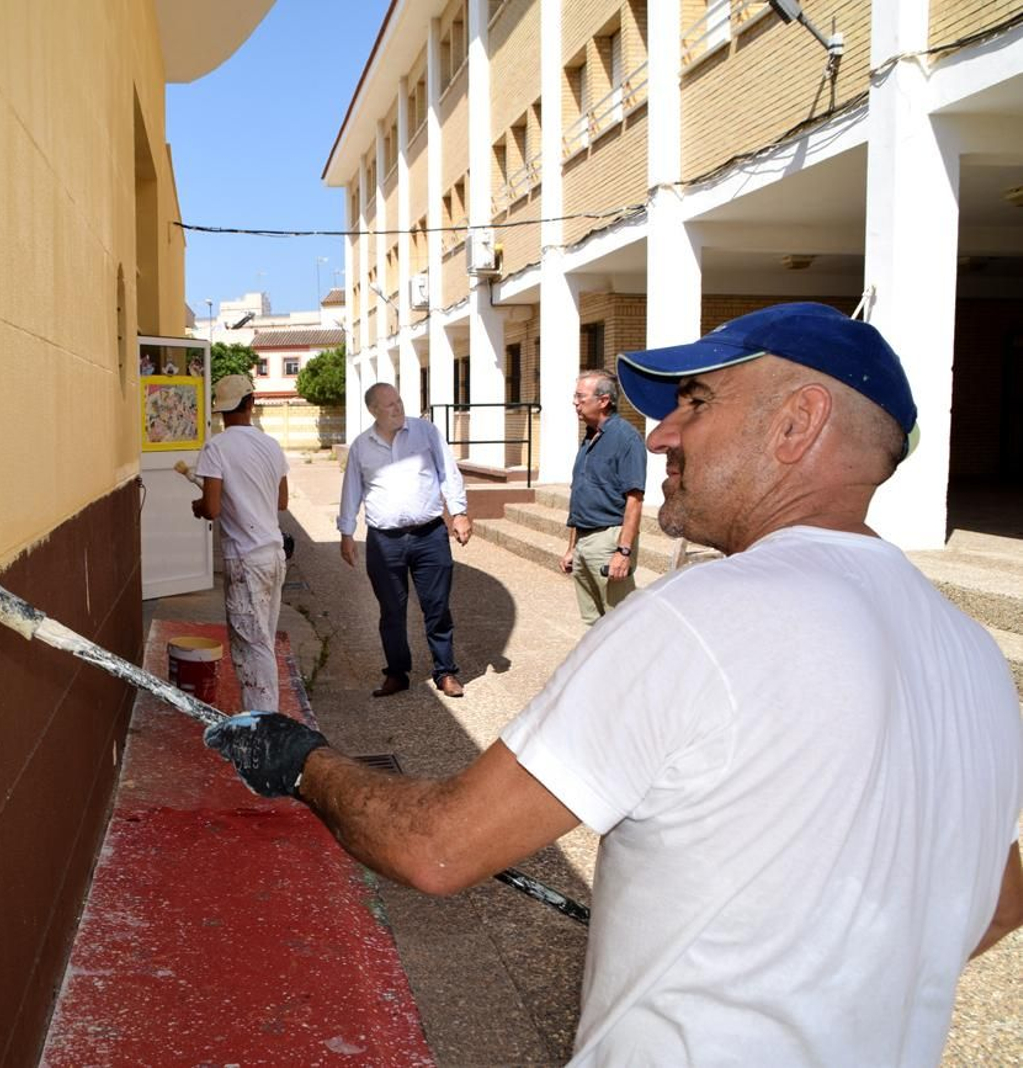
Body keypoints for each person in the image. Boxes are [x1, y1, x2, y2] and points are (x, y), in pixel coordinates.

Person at [205, 303, 1023, 1063]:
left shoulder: (705, 618)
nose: (663, 435)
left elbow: (438, 847)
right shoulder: (972, 653)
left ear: (798, 423)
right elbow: (997, 898)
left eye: (697, 402)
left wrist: (304, 761)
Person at [337, 382, 473, 699]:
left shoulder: (425, 432)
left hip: (430, 536)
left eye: (399, 401)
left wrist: (460, 513)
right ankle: (397, 673)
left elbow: (448, 472)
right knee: (391, 611)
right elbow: (351, 491)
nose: (397, 409)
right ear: (373, 410)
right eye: (389, 405)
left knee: (437, 606)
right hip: (385, 541)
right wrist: (346, 533)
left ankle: (446, 671)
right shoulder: (362, 446)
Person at [191, 374, 290, 713]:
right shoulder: (271, 445)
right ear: (251, 403)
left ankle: (264, 725)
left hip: (245, 561)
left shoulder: (216, 447)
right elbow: (282, 501)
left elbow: (212, 508)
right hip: (274, 556)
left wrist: (199, 507)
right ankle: (262, 716)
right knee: (262, 640)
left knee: (253, 646)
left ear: (220, 411)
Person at [562, 370, 646, 624]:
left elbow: (635, 499)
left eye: (580, 396)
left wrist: (623, 551)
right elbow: (580, 495)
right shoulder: (589, 437)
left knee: (620, 622)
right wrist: (571, 548)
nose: (575, 402)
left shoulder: (626, 438)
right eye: (574, 396)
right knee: (593, 623)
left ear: (604, 400)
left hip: (609, 539)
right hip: (584, 538)